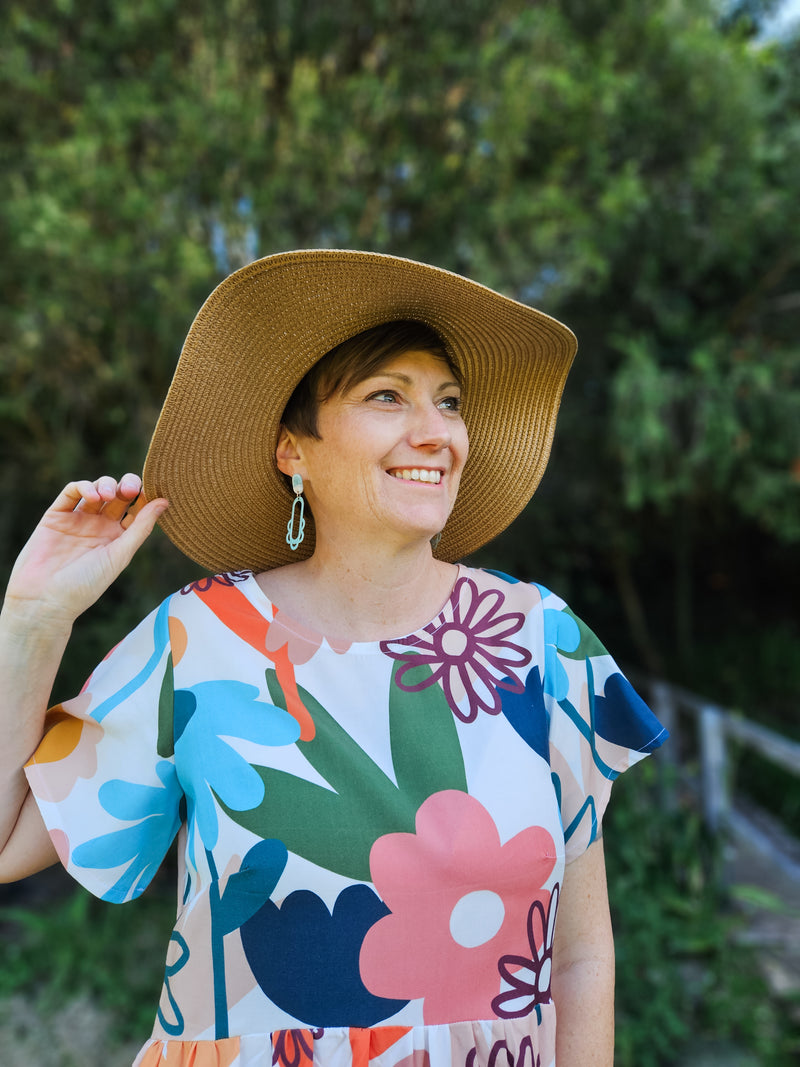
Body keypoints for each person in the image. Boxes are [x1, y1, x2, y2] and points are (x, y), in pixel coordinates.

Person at [0, 249, 667, 1067]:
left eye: (449, 402)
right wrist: (32, 620)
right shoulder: (196, 639)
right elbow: (5, 845)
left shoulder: (539, 641)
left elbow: (581, 955)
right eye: (387, 395)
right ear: (292, 449)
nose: (436, 432)